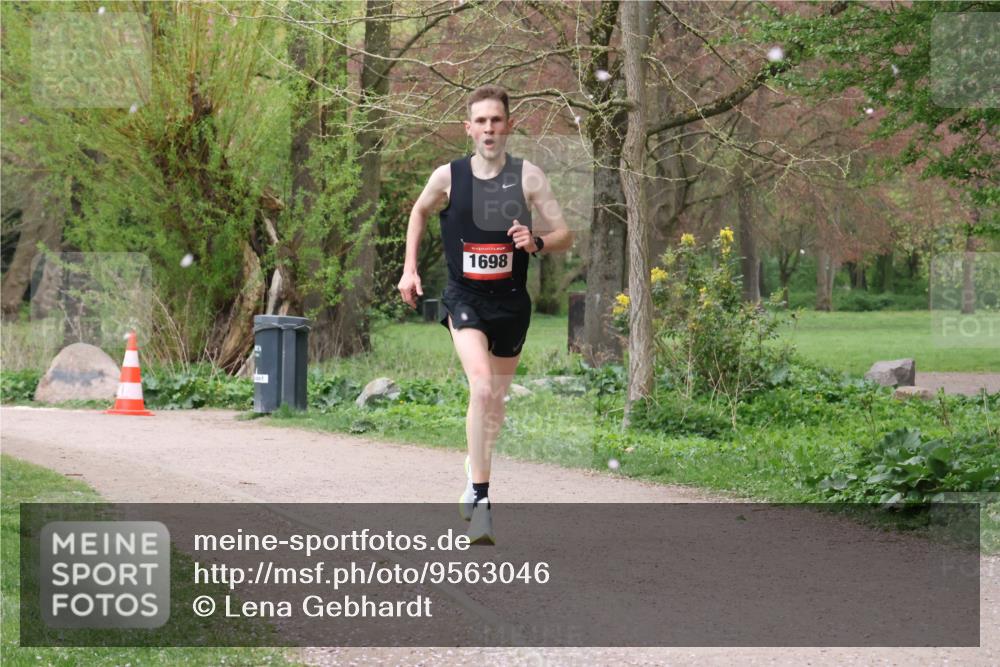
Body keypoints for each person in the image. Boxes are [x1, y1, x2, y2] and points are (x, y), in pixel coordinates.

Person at [397, 85, 573, 544]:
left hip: (512, 302)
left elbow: (565, 235)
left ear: (509, 125)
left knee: (494, 403)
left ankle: (474, 465)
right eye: (481, 121)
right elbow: (417, 212)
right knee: (481, 385)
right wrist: (409, 269)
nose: (489, 129)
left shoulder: (529, 177)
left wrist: (535, 241)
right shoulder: (448, 176)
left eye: (497, 120)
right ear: (468, 128)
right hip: (465, 297)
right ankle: (481, 500)